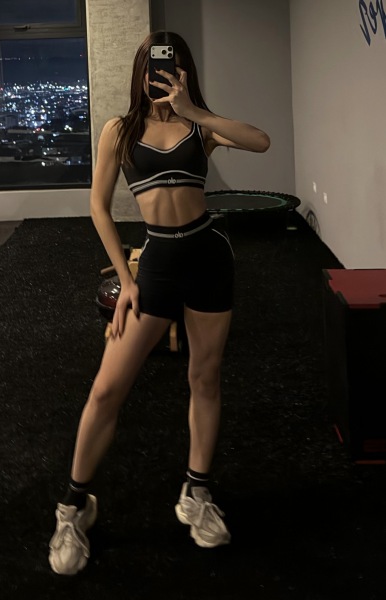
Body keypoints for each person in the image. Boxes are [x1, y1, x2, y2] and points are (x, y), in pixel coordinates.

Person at [48, 30, 270, 576]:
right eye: (151, 64)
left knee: (205, 377)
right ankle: (74, 507)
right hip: (157, 266)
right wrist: (126, 281)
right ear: (140, 70)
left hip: (209, 257)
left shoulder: (201, 126)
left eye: (169, 64)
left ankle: (197, 492)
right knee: (106, 389)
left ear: (184, 69)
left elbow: (261, 141)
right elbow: (98, 207)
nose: (159, 72)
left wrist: (194, 109)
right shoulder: (120, 130)